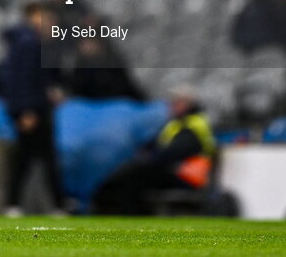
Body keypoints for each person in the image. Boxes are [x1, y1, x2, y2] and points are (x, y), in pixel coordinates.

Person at [92, 85, 216, 215]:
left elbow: (173, 151)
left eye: (178, 102)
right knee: (133, 172)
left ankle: (134, 214)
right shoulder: (175, 124)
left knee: (137, 175)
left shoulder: (194, 125)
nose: (173, 106)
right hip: (174, 172)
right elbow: (155, 144)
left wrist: (148, 159)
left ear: (189, 104)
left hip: (188, 176)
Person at [0, 2, 66, 217]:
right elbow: (21, 79)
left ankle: (16, 204)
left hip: (35, 106)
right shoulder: (28, 43)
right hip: (33, 109)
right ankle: (54, 205)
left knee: (29, 158)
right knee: (37, 158)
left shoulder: (29, 42)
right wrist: (26, 110)